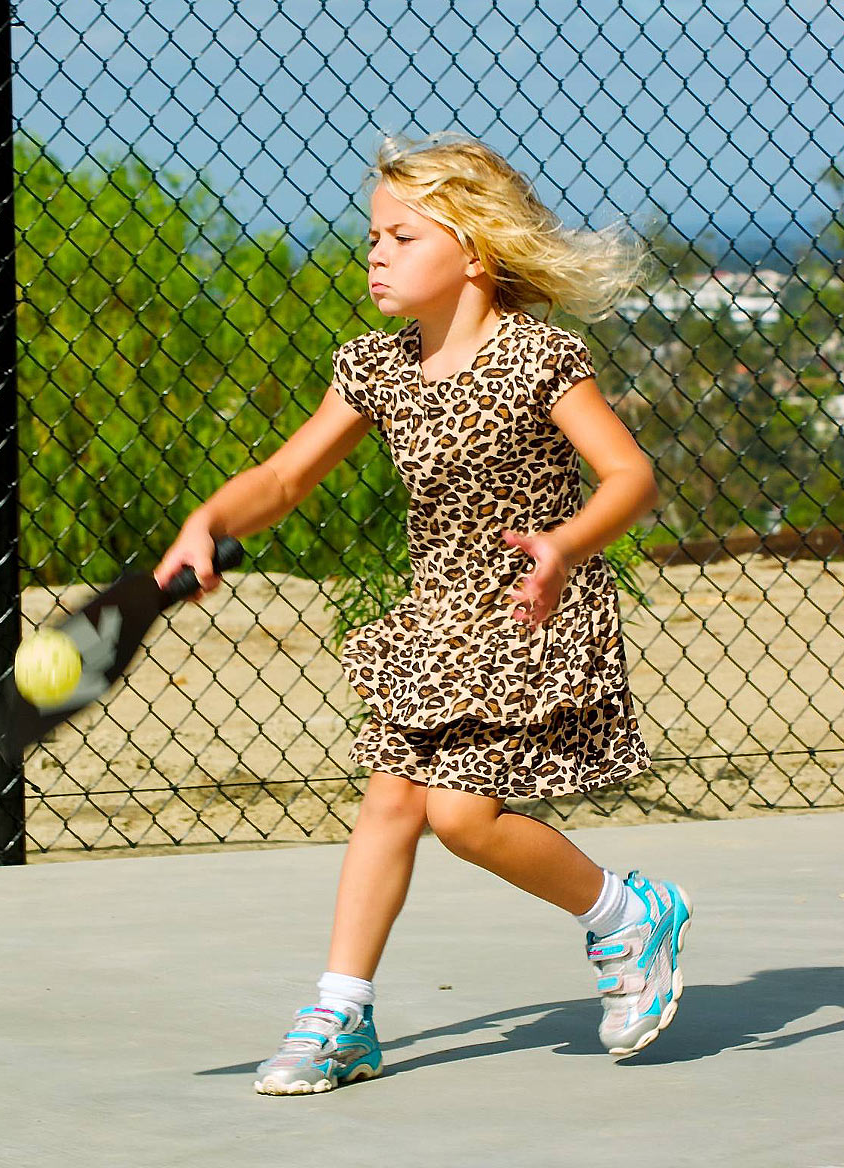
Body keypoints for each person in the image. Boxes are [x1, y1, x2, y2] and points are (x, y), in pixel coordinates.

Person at [156, 134, 692, 1096]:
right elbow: (282, 478)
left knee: (460, 817)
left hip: (529, 608)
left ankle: (624, 912)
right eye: (373, 237)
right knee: (390, 802)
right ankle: (340, 1012)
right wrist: (207, 521)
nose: (375, 254)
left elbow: (630, 476)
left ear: (476, 252)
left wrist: (565, 545)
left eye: (402, 237)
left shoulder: (538, 355)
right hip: (436, 613)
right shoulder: (377, 367)